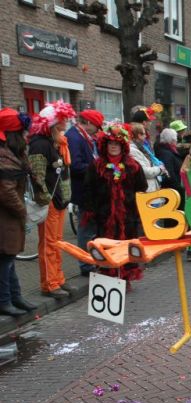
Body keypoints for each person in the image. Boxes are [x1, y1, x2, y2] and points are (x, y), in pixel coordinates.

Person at [82, 123, 148, 286]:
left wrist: (133, 204)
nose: (113, 147)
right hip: (105, 216)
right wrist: (92, 210)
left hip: (127, 215)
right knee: (107, 246)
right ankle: (109, 280)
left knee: (126, 245)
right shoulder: (96, 166)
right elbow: (88, 189)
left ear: (122, 146)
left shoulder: (133, 166)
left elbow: (142, 187)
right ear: (105, 145)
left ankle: (124, 278)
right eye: (110, 143)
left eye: (117, 144)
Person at [28, 101, 76, 299]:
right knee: (49, 244)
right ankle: (49, 284)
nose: (66, 124)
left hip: (59, 201)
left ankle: (58, 278)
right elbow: (37, 176)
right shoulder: (40, 144)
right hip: (50, 204)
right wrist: (45, 199)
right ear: (53, 124)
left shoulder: (55, 143)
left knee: (57, 243)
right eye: (62, 121)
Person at [0, 108, 37, 316]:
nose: (26, 136)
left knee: (8, 257)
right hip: (5, 217)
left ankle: (15, 296)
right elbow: (6, 191)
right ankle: (4, 300)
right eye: (22, 132)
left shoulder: (13, 153)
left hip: (9, 216)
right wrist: (22, 210)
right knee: (5, 259)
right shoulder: (4, 156)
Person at [66, 109, 104, 277]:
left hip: (90, 190)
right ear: (88, 123)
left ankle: (91, 261)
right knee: (85, 229)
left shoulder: (82, 135)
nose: (97, 131)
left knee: (90, 228)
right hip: (84, 191)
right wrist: (99, 168)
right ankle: (86, 264)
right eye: (97, 126)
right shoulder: (74, 137)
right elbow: (75, 165)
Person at [153, 128, 186, 206]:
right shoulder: (166, 153)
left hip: (175, 189)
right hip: (173, 191)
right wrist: (179, 187)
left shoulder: (169, 150)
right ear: (171, 141)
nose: (176, 140)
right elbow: (169, 173)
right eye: (175, 139)